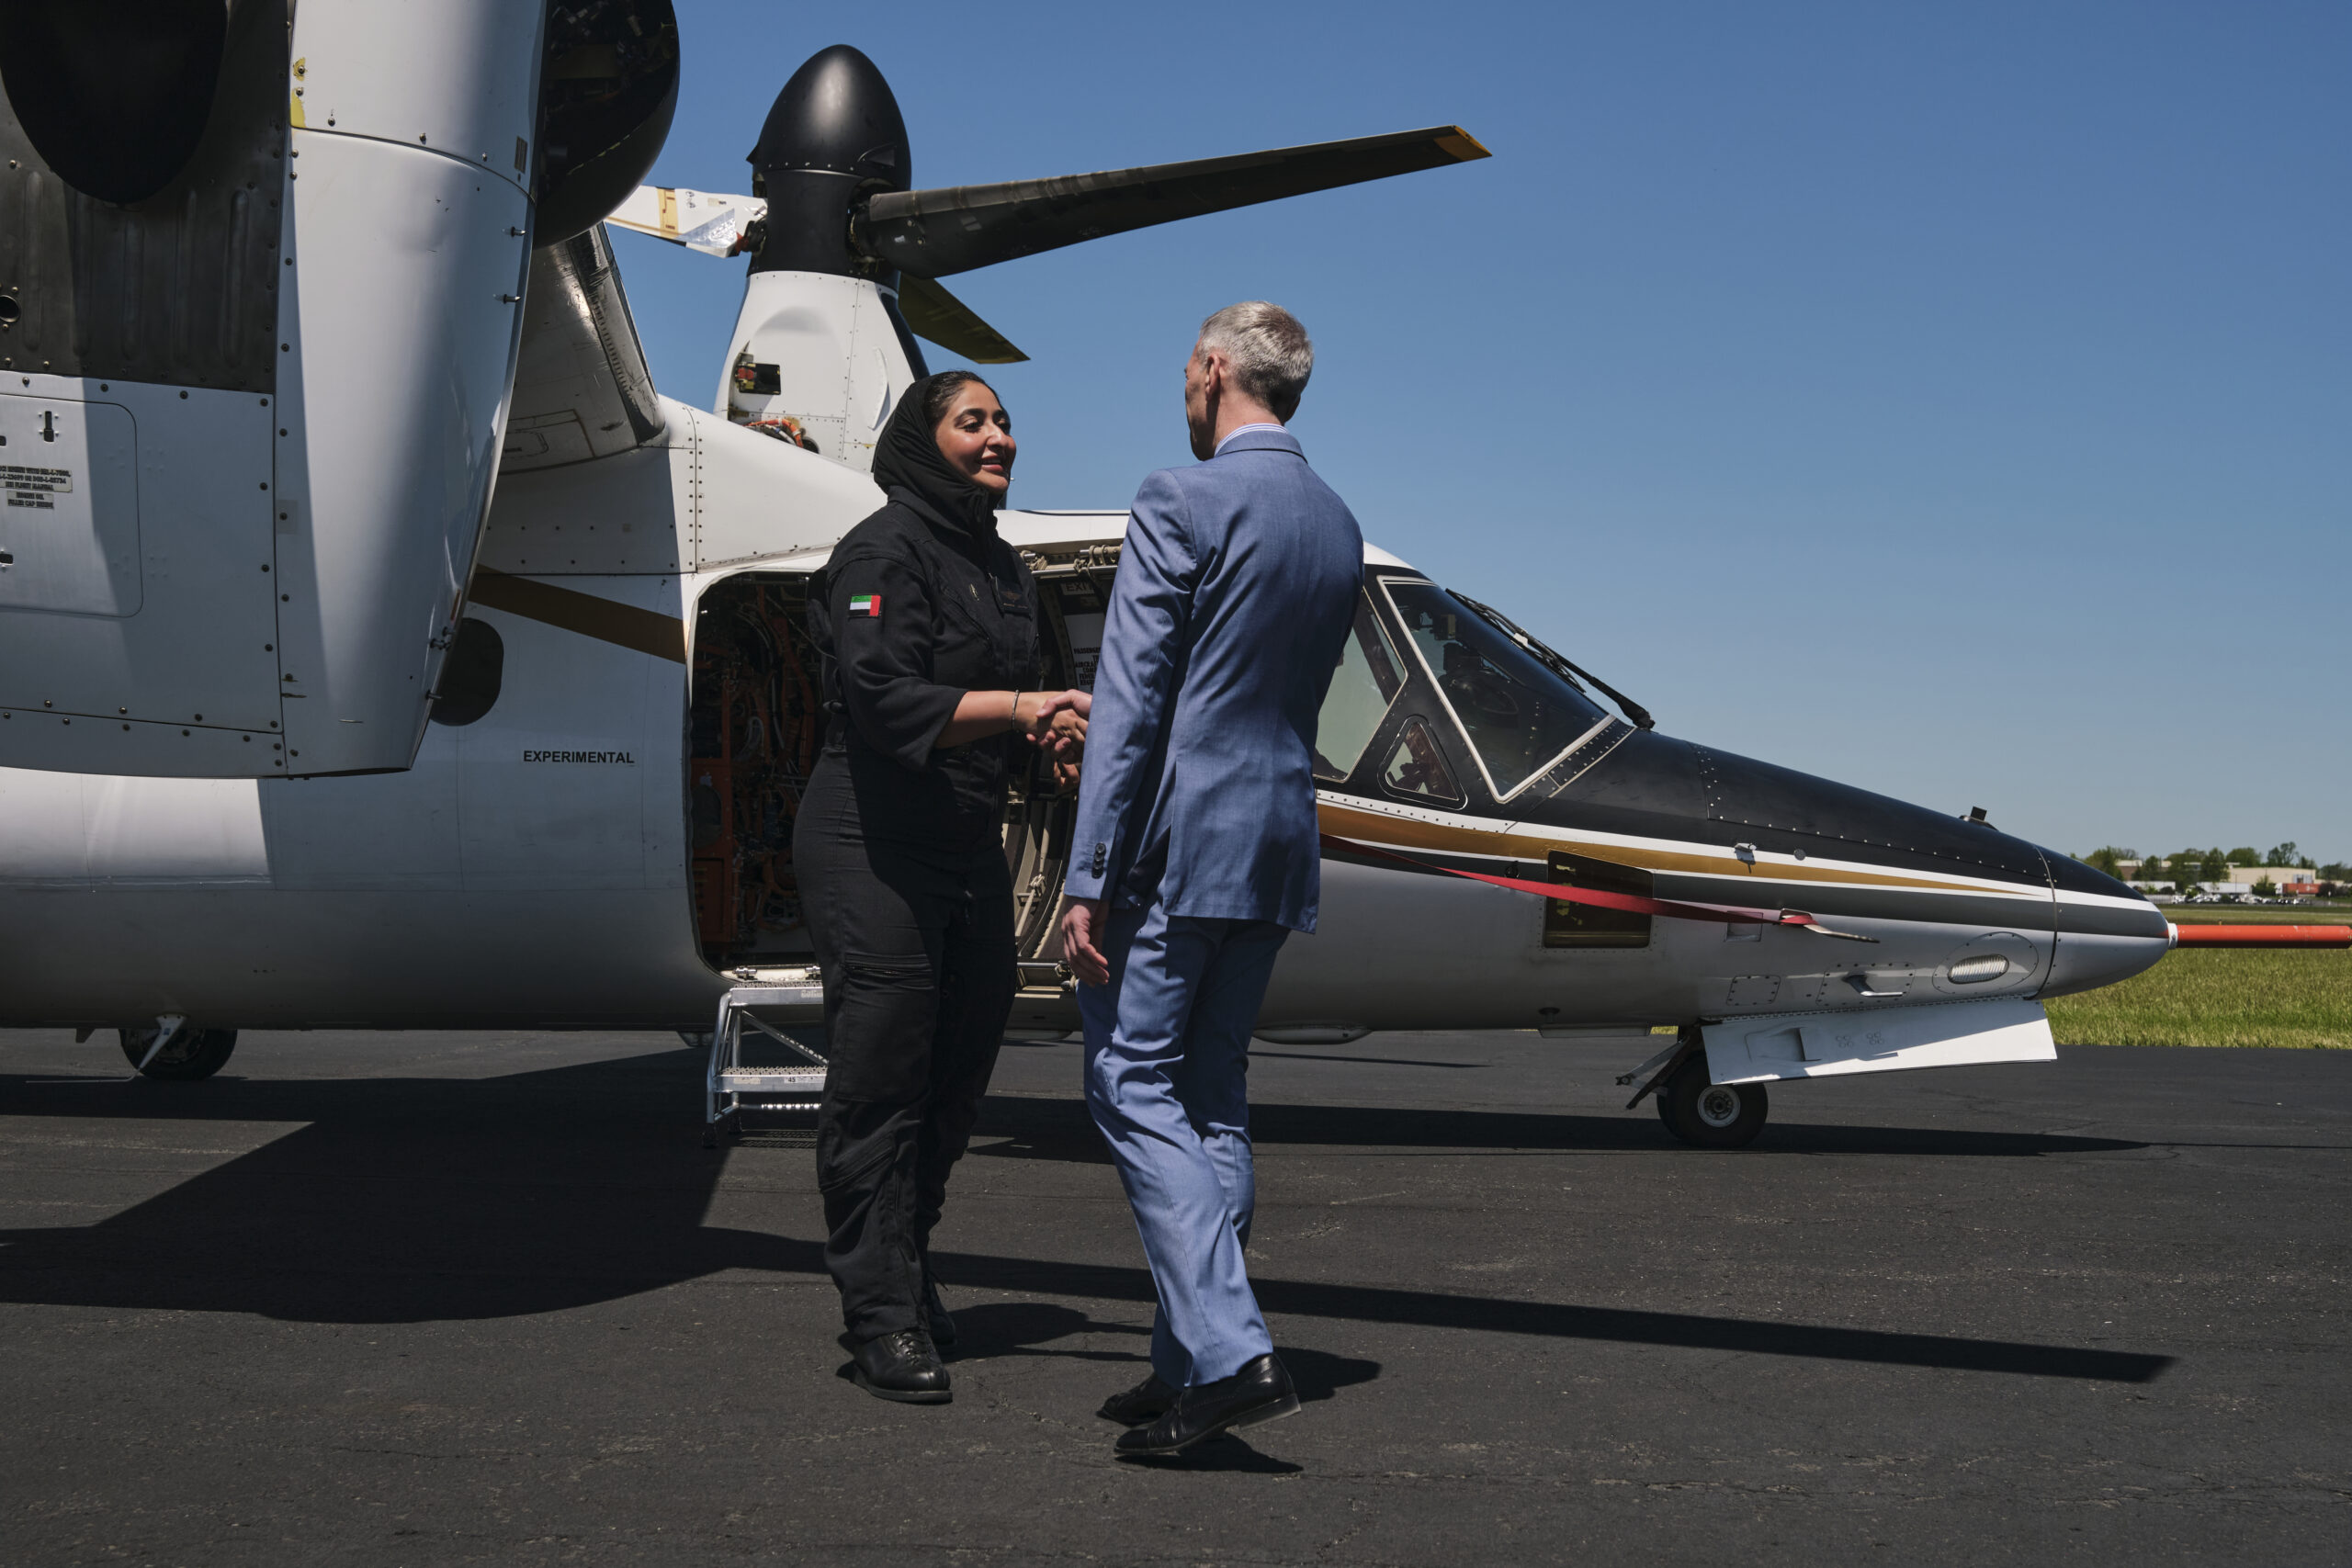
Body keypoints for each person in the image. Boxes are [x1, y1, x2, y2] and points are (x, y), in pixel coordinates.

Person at [1057, 302, 1364, 1456]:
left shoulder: (1180, 499)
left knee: (1131, 1085)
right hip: (1277, 838)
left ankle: (1231, 1354)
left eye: (1186, 369)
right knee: (1212, 1096)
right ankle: (1188, 1359)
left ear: (1213, 368)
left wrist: (1086, 874)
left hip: (1177, 848)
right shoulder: (1334, 521)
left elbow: (1132, 705)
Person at [797, 370, 1088, 1404]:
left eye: (1006, 421)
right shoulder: (883, 551)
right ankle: (879, 1318)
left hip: (962, 839)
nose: (1000, 437)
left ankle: (907, 1272)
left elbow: (1005, 712)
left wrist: (1045, 744)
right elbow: (882, 699)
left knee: (957, 1075)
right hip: (871, 840)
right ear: (924, 443)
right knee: (881, 1082)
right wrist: (1021, 706)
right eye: (974, 422)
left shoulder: (1002, 568)